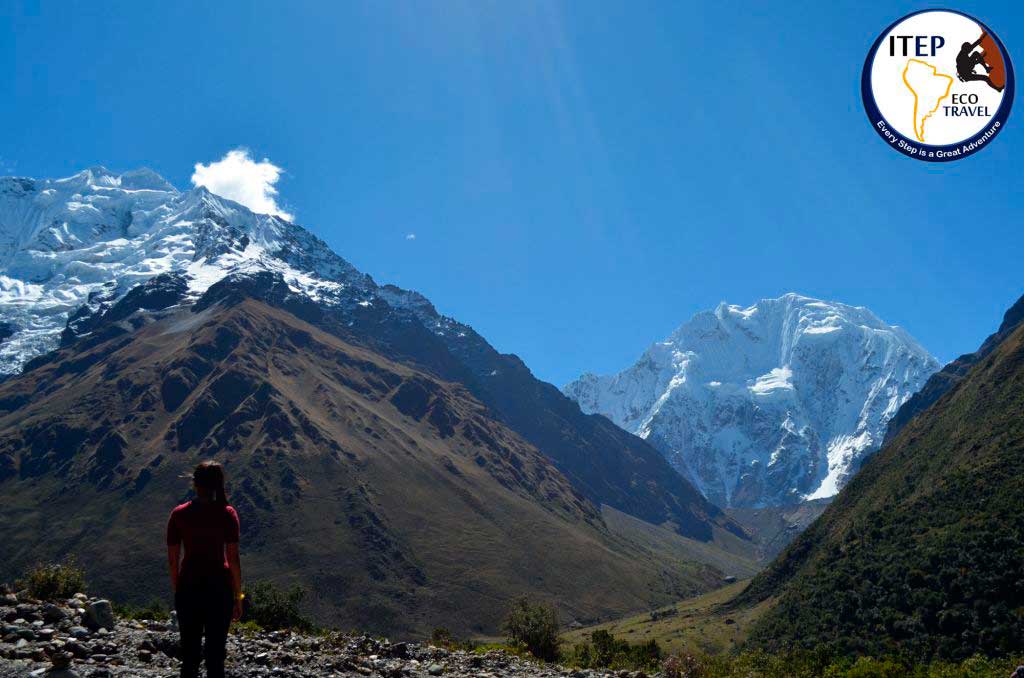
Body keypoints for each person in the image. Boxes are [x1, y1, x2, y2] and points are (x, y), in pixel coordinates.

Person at [167, 461, 243, 678]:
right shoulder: (227, 514)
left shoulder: (179, 514)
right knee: (215, 657)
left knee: (189, 657)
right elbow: (233, 559)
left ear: (195, 484)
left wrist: (178, 589)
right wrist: (238, 596)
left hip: (188, 589)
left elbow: (173, 560)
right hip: (220, 591)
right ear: (219, 485)